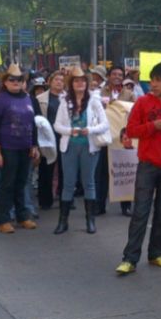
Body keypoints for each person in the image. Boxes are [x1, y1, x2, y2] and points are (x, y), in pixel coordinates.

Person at [115, 62, 161, 274]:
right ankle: (130, 258)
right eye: (151, 80)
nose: (153, 84)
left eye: (158, 81)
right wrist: (152, 126)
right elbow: (131, 130)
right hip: (147, 165)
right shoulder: (143, 102)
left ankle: (156, 253)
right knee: (140, 212)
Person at [52, 67, 110, 234]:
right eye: (76, 80)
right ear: (71, 83)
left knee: (89, 182)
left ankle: (90, 221)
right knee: (68, 183)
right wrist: (70, 131)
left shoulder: (94, 100)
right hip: (69, 146)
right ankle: (63, 222)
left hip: (89, 146)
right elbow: (57, 125)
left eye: (83, 80)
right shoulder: (65, 102)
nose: (80, 83)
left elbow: (105, 124)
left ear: (87, 83)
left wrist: (90, 130)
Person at [0, 64, 40, 234]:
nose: (15, 82)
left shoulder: (27, 97)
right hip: (7, 147)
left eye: (19, 79)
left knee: (22, 182)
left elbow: (33, 124)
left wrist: (34, 145)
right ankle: (3, 219)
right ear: (5, 81)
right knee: (8, 183)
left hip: (25, 146)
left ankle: (23, 216)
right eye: (12, 79)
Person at [97, 65, 137, 217]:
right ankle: (100, 205)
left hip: (122, 139)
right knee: (102, 173)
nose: (117, 77)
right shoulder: (100, 92)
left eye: (120, 75)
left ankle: (125, 206)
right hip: (106, 138)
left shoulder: (129, 94)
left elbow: (135, 112)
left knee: (124, 172)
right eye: (114, 74)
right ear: (108, 76)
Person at [33, 71, 66, 210]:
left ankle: (65, 199)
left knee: (65, 169)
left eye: (62, 80)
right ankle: (45, 200)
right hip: (46, 138)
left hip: (65, 136)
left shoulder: (68, 98)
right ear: (50, 82)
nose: (59, 82)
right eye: (56, 79)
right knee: (46, 168)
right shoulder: (40, 98)